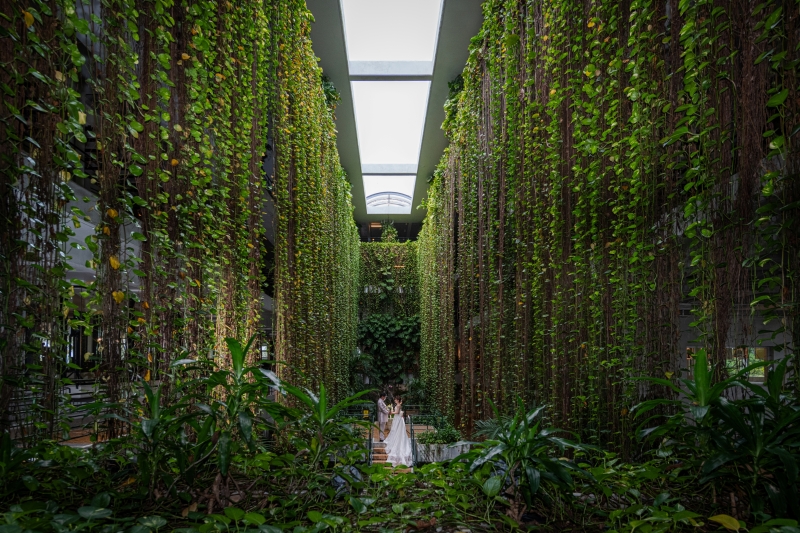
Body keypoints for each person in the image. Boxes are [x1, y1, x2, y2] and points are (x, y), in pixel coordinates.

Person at [384, 397, 412, 467]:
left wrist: (391, 412)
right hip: (397, 418)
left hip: (398, 418)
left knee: (398, 431)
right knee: (395, 430)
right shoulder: (398, 405)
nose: (395, 400)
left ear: (398, 400)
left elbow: (397, 412)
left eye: (396, 399)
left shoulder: (398, 405)